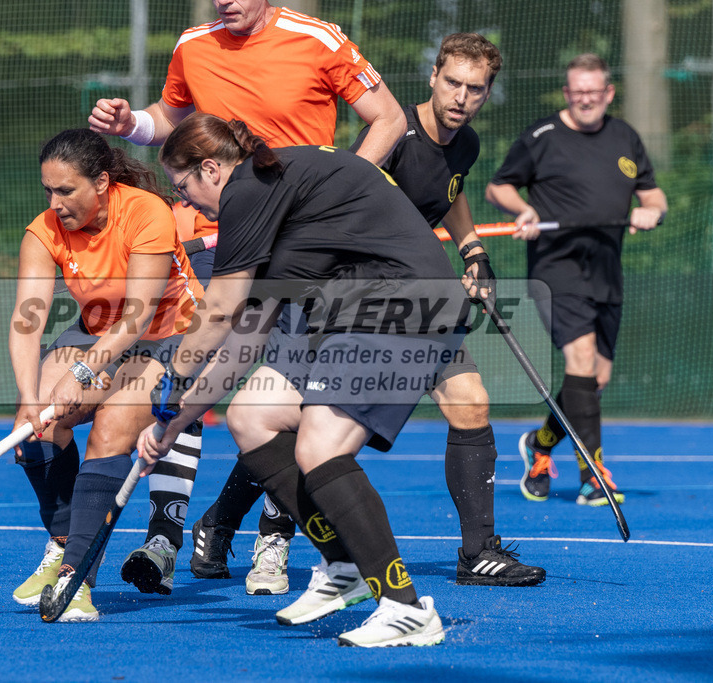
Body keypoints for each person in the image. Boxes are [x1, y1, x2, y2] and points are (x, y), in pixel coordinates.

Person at [89, 0, 406, 597]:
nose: (222, 1)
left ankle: (275, 539)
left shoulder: (317, 39)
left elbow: (387, 118)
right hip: (217, 237)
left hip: (302, 253)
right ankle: (167, 533)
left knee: (277, 398)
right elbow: (169, 118)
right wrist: (132, 123)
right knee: (202, 367)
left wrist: (335, 201)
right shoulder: (192, 44)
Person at [138, 113, 471, 647]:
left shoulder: (249, 188)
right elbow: (243, 340)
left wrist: (172, 375)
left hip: (403, 303)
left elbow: (219, 311)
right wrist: (174, 422)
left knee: (321, 444)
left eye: (184, 188)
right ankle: (343, 565)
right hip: (352, 313)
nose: (187, 204)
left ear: (210, 168)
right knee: (252, 416)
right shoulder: (263, 203)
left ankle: (405, 607)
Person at [348, 33, 545, 586]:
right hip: (365, 299)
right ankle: (219, 525)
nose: (461, 97)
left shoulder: (466, 144)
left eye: (475, 89)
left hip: (420, 301)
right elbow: (362, 215)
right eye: (453, 82)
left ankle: (477, 552)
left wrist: (473, 249)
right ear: (433, 76)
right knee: (307, 425)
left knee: (471, 402)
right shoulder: (390, 133)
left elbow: (449, 191)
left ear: (486, 94)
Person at [8, 129, 201, 621]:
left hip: (171, 332)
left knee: (113, 424)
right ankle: (64, 542)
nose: (55, 202)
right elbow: (26, 323)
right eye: (48, 190)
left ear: (102, 182)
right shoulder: (44, 230)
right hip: (97, 329)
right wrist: (30, 401)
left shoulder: (145, 212)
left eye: (66, 190)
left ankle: (78, 577)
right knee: (41, 425)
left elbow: (138, 317)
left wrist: (81, 369)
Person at [484, 53, 667, 506]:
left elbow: (653, 192)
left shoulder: (625, 136)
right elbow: (498, 186)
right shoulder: (542, 136)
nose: (586, 99)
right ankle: (593, 476)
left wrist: (653, 210)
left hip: (606, 270)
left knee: (593, 378)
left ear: (608, 93)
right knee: (581, 357)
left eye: (594, 91)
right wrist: (523, 209)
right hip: (556, 268)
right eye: (577, 91)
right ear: (567, 93)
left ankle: (541, 446)